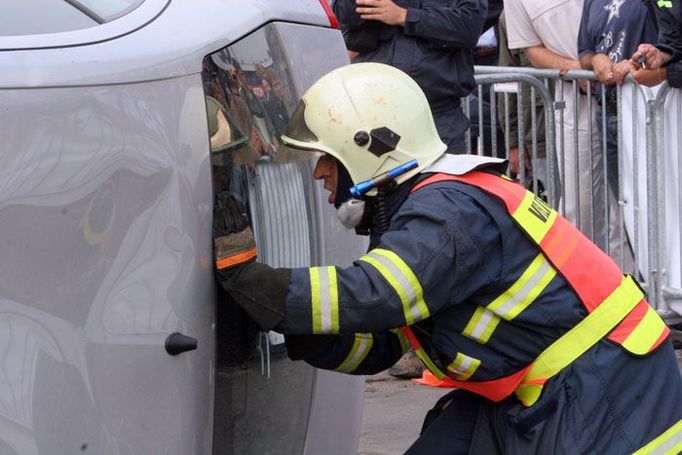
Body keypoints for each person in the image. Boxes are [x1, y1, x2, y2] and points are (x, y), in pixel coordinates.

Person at [215, 62, 682, 453]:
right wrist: (295, 328)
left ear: (368, 148)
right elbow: (385, 343)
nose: (319, 173)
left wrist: (256, 284)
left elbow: (380, 296)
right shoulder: (428, 210)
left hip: (605, 392)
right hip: (541, 389)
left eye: (327, 157)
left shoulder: (447, 211)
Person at [331, 0, 486, 154]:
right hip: (374, 115)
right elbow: (343, 15)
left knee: (441, 177)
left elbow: (469, 25)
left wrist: (404, 16)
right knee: (377, 177)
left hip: (437, 117)